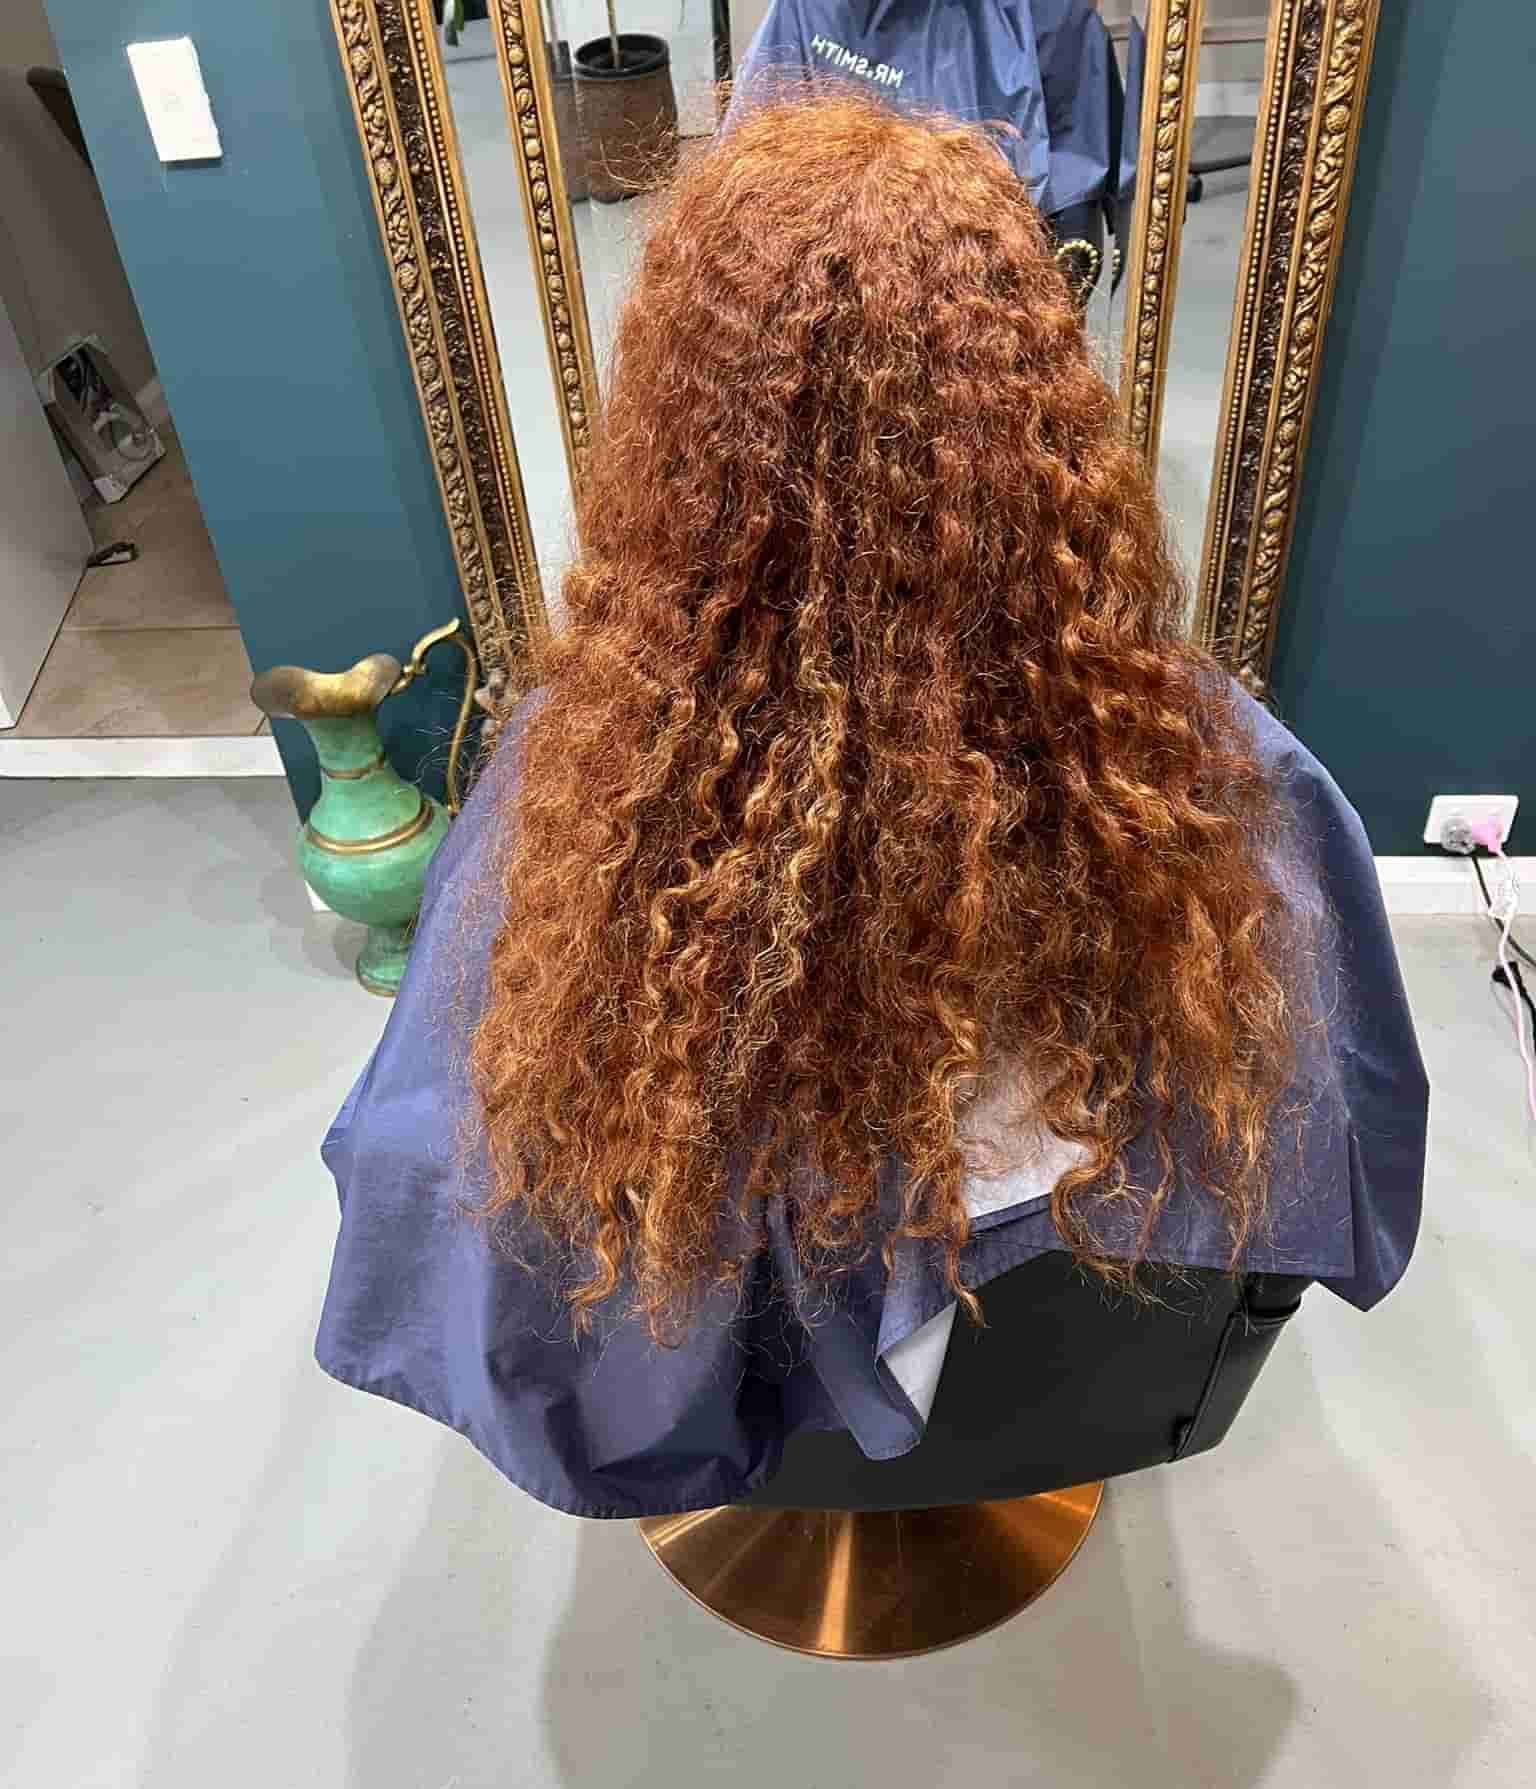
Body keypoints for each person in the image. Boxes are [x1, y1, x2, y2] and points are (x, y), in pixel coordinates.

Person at [316, 95, 1427, 1518]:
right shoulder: (1204, 766)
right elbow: (1349, 1117)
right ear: (1038, 413)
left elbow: (436, 1209)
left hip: (758, 1386)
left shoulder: (591, 796)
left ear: (680, 433)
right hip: (1068, 1354)